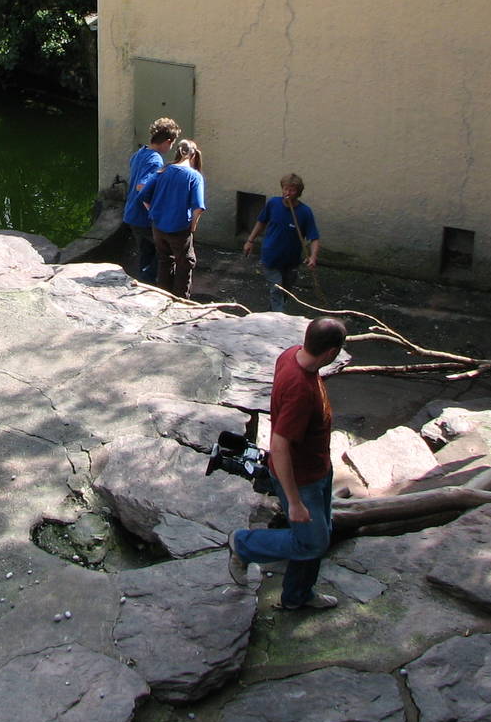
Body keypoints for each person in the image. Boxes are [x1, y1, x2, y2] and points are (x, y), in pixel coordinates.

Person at [227, 316, 352, 609]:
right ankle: (243, 544)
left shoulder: (291, 354)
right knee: (312, 541)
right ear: (332, 352)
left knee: (317, 534)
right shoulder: (300, 390)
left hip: (317, 468)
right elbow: (279, 446)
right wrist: (294, 502)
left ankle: (297, 596)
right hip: (301, 479)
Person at [243, 173, 320, 313]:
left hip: (291, 261)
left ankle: (271, 316)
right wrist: (250, 240)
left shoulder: (305, 212)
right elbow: (261, 222)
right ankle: (279, 319)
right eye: (285, 189)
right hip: (271, 257)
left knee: (284, 294)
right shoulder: (273, 203)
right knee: (277, 290)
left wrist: (313, 256)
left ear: (298, 192)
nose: (287, 193)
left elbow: (314, 237)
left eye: (292, 190)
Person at [141, 138, 204, 299]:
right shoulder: (194, 176)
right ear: (193, 155)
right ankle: (180, 303)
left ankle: (163, 298)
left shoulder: (163, 170)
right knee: (184, 264)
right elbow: (198, 207)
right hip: (179, 228)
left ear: (177, 152)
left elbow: (143, 195)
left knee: (164, 261)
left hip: (158, 227)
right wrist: (192, 226)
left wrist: (154, 213)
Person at [122, 117, 180, 283]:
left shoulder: (140, 153)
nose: (171, 147)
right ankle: (150, 279)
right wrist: (155, 210)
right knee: (168, 249)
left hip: (131, 214)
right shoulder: (156, 160)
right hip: (143, 217)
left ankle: (143, 281)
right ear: (167, 142)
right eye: (172, 143)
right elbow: (142, 186)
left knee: (146, 251)